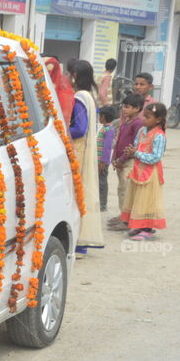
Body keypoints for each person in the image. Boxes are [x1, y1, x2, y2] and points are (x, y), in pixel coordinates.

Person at [69, 60, 103, 257]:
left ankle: (79, 241)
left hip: (79, 151)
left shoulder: (80, 96)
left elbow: (80, 129)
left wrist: (63, 130)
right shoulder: (90, 95)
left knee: (76, 193)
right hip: (84, 150)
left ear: (75, 75)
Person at [121, 102, 167, 240]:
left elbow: (155, 157)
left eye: (147, 117)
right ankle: (140, 226)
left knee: (147, 201)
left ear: (158, 119)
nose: (144, 119)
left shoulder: (159, 136)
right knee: (137, 198)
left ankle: (147, 229)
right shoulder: (142, 131)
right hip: (138, 170)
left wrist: (137, 154)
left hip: (150, 174)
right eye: (144, 116)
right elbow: (137, 145)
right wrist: (131, 151)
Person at [107, 93, 145, 230]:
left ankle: (127, 220)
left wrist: (122, 159)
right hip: (120, 162)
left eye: (127, 107)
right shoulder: (125, 122)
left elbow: (134, 145)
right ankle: (123, 215)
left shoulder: (138, 124)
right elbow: (119, 142)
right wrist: (114, 158)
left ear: (137, 108)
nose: (124, 109)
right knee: (121, 189)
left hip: (129, 161)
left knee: (127, 190)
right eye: (123, 106)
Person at [97, 105, 118, 212]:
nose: (98, 117)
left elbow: (107, 147)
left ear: (103, 117)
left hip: (102, 161)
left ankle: (103, 204)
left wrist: (103, 162)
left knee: (102, 182)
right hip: (99, 160)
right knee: (100, 181)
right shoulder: (104, 128)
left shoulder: (109, 130)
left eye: (99, 115)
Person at [45, 56, 75, 124]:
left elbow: (66, 113)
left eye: (52, 71)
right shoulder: (39, 83)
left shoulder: (65, 89)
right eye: (47, 71)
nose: (50, 74)